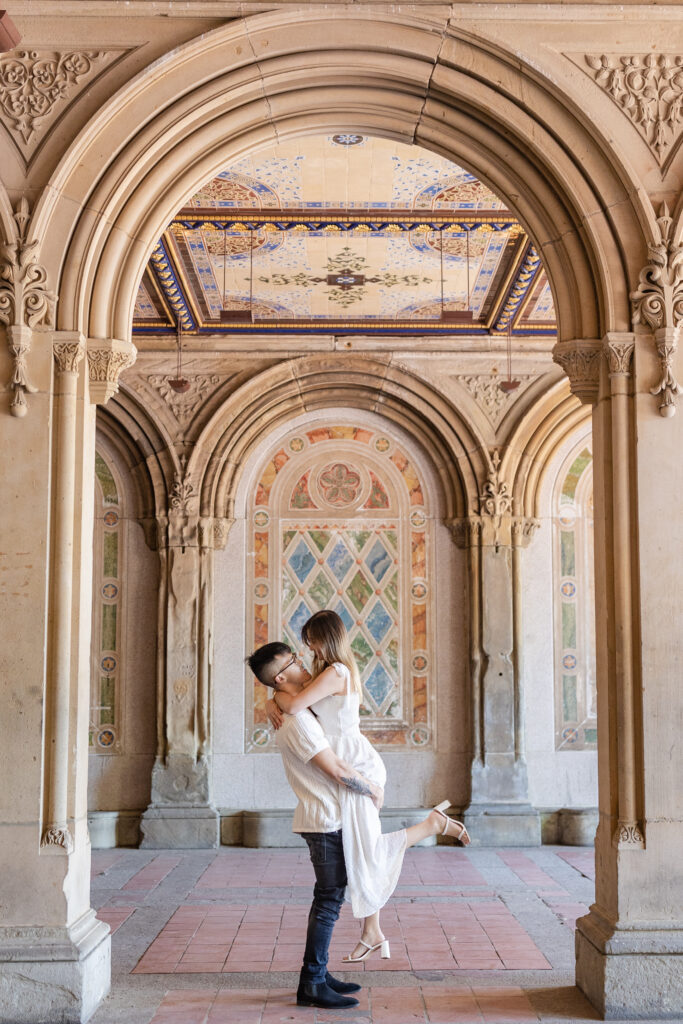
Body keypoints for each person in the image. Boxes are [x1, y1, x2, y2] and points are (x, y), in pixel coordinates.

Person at [259, 610, 471, 964]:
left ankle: (432, 826)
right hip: (346, 764)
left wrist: (272, 699)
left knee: (365, 849)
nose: (305, 648)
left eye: (309, 640)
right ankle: (372, 933)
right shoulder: (326, 673)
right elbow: (293, 698)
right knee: (363, 848)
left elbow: (293, 702)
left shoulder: (335, 672)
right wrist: (270, 699)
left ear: (324, 638)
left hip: (355, 765)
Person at [246, 641, 383, 1010]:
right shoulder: (297, 721)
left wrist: (270, 702)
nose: (302, 663)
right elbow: (336, 769)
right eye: (293, 660)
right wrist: (372, 789)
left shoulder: (296, 709)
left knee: (330, 899)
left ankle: (319, 974)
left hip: (325, 817)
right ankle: (311, 982)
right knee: (328, 902)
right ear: (280, 675)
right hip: (324, 821)